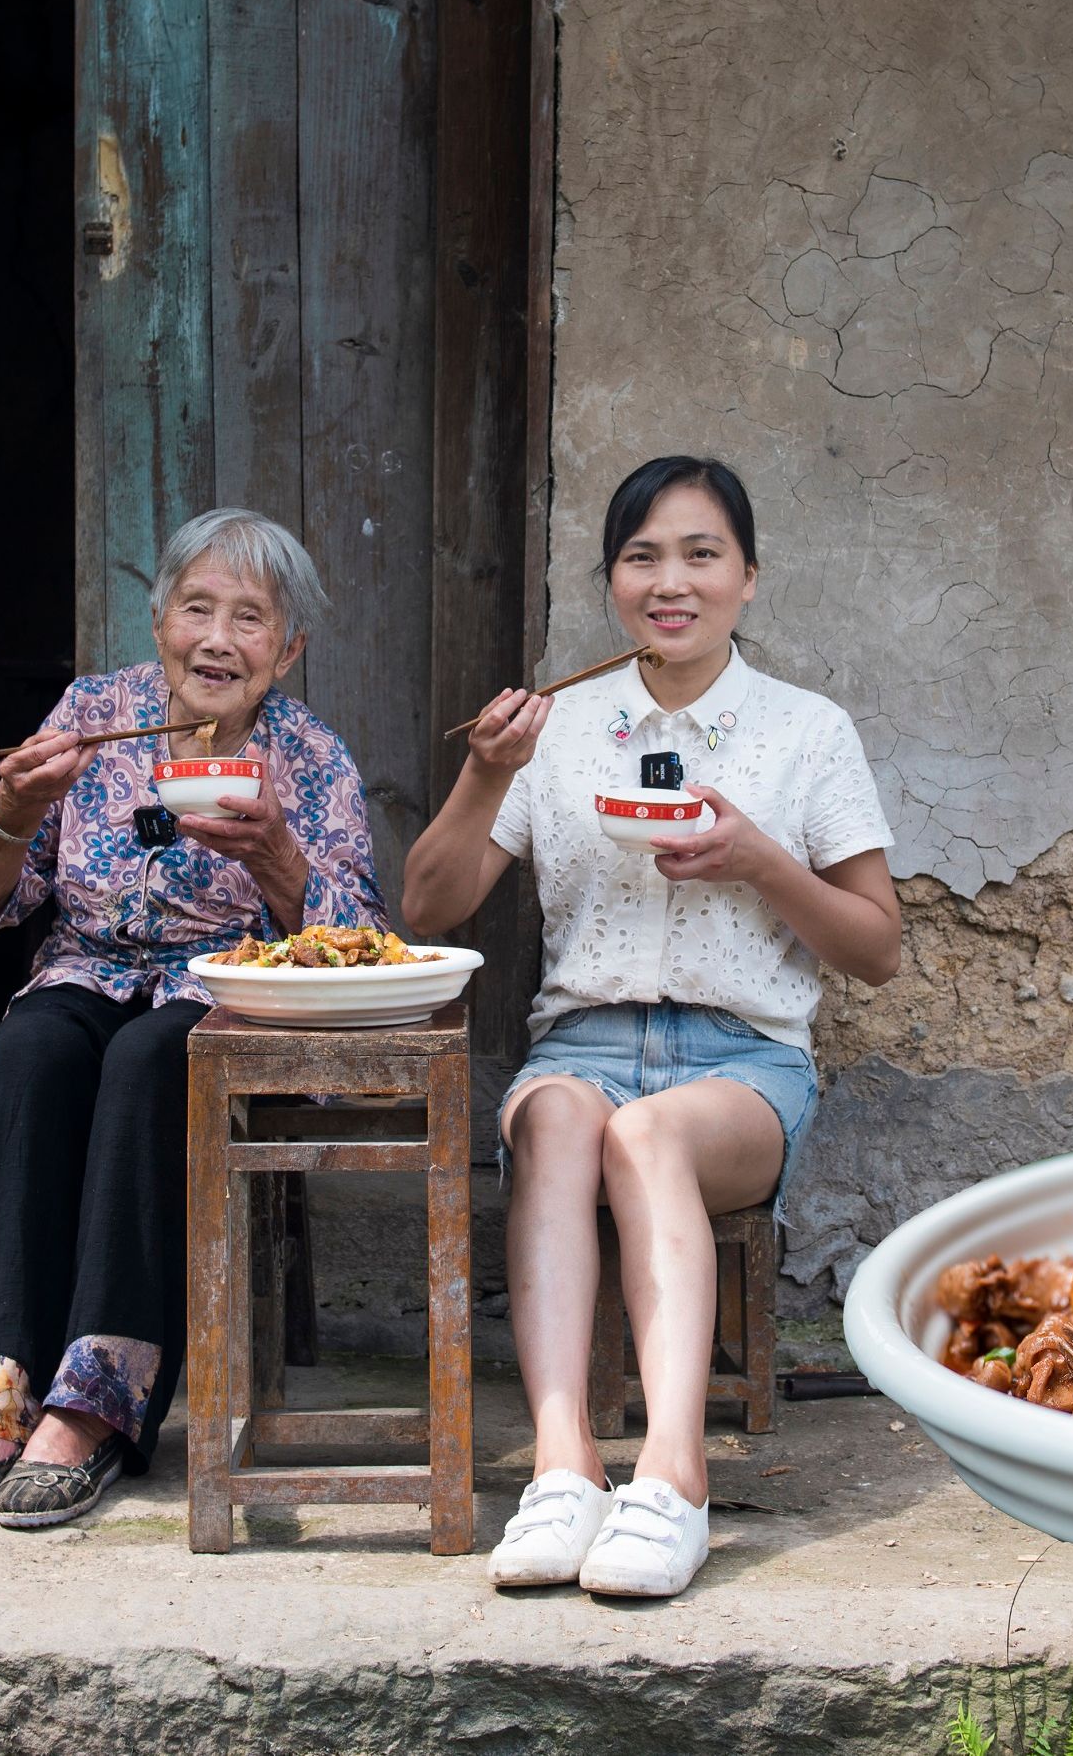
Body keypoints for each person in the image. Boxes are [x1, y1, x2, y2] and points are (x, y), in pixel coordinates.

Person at [402, 455, 901, 1597]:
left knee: (648, 1136)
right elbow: (427, 907)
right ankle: (567, 1469)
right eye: (641, 557)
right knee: (567, 1122)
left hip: (745, 1064)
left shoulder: (805, 732)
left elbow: (875, 948)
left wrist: (760, 860)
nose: (669, 581)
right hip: (582, 1042)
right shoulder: (560, 724)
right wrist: (485, 780)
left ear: (749, 579)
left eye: (700, 554)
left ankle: (673, 1480)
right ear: (611, 581)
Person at [0, 509, 386, 1529]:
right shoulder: (92, 715)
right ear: (160, 618)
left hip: (230, 989)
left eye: (249, 619)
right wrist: (12, 815)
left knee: (148, 1060)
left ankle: (92, 1409)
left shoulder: (309, 758)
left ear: (287, 649)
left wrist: (276, 859)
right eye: (197, 608)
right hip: (88, 969)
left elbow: (365, 937)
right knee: (35, 1042)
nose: (219, 637)